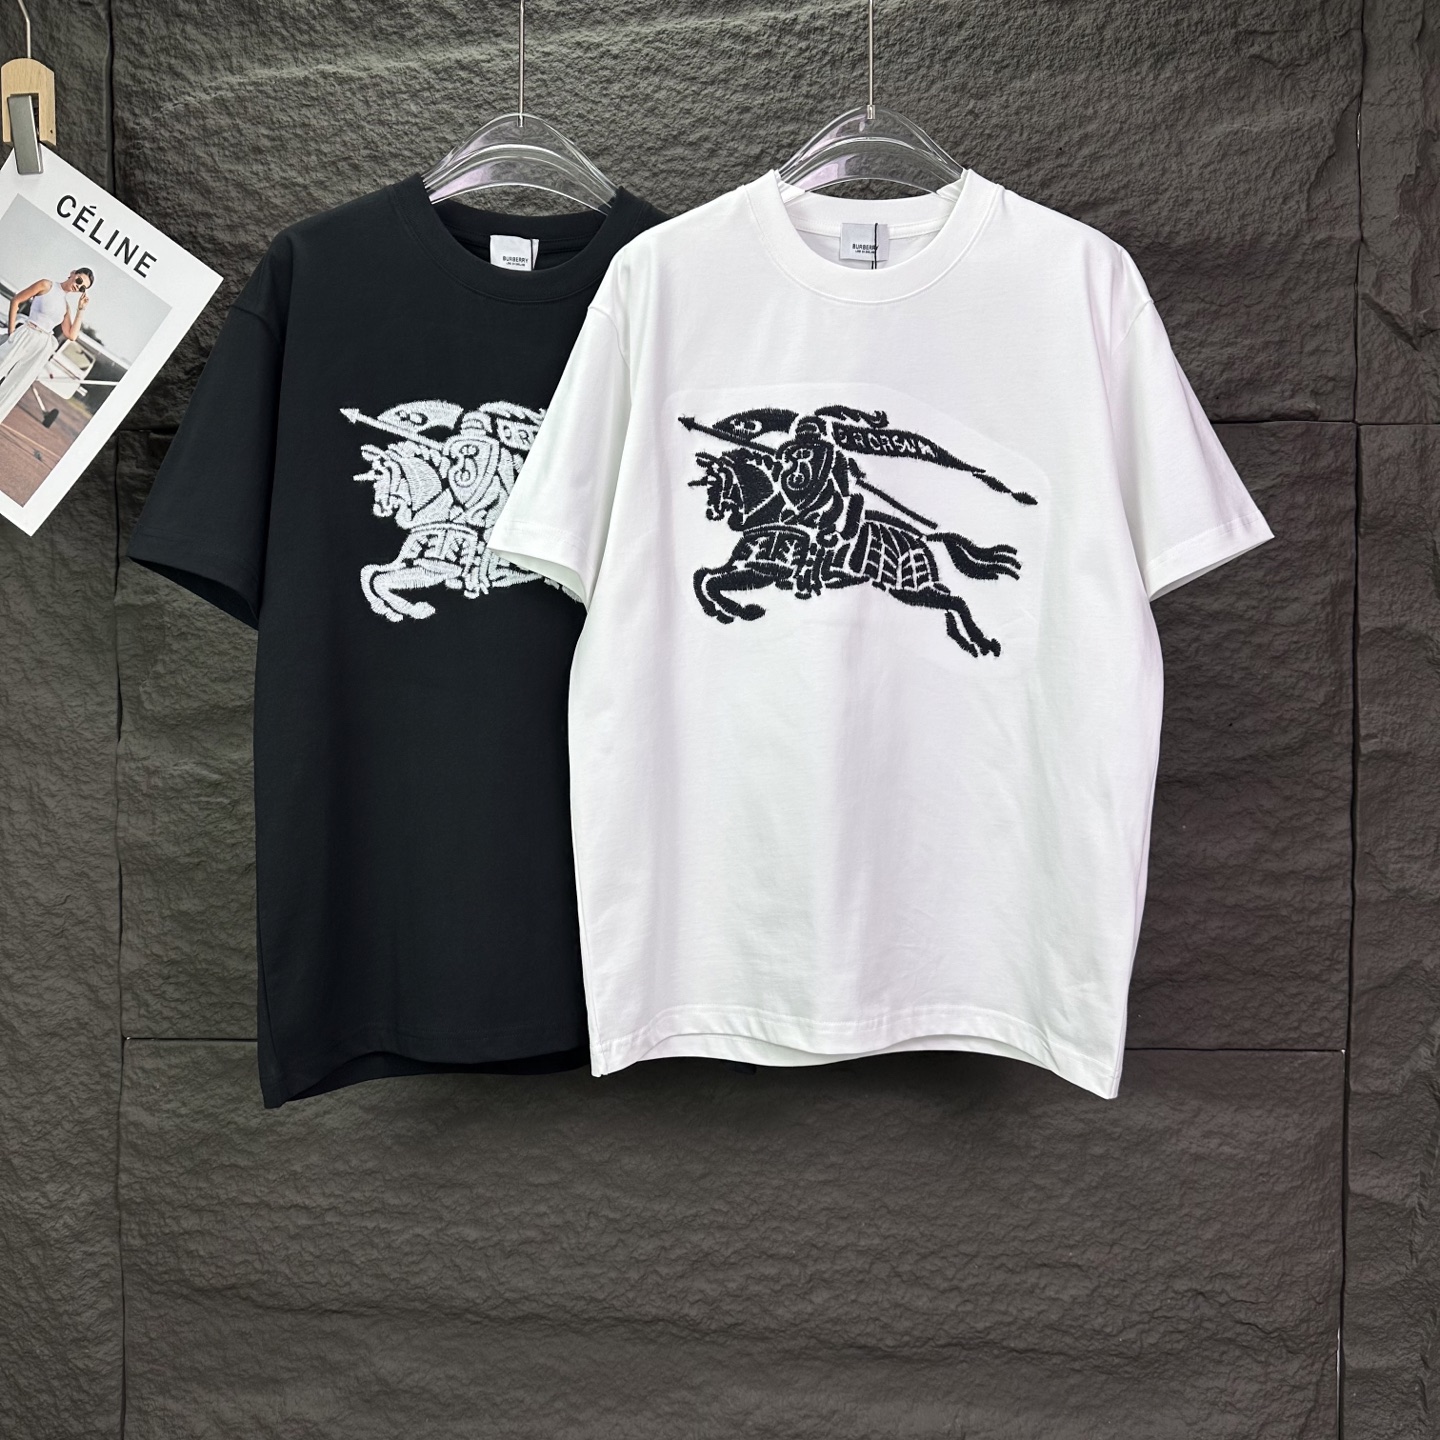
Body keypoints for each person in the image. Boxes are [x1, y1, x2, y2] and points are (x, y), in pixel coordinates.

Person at [0, 267, 91, 426]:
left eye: (82, 287)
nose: (78, 286)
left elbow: (71, 335)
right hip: (27, 332)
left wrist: (81, 310)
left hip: (43, 344)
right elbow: (16, 300)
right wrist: (11, 332)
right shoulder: (46, 285)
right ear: (73, 273)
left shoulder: (66, 307)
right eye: (78, 280)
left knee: (17, 384)